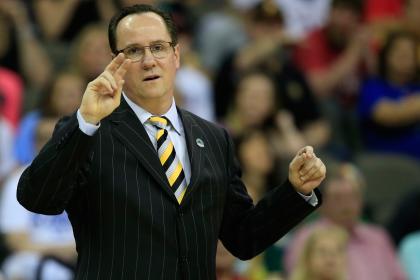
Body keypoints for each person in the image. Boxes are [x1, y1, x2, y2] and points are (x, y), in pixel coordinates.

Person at [16, 4, 326, 279]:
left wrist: (296, 192)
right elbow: (37, 198)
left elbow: (242, 238)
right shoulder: (88, 130)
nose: (149, 60)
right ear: (115, 63)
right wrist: (85, 122)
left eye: (158, 48)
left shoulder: (214, 138)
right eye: (134, 51)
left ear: (176, 56)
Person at [284, 162, 406, 280]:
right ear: (322, 203)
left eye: (353, 197)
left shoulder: (378, 237)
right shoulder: (307, 238)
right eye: (338, 198)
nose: (347, 205)